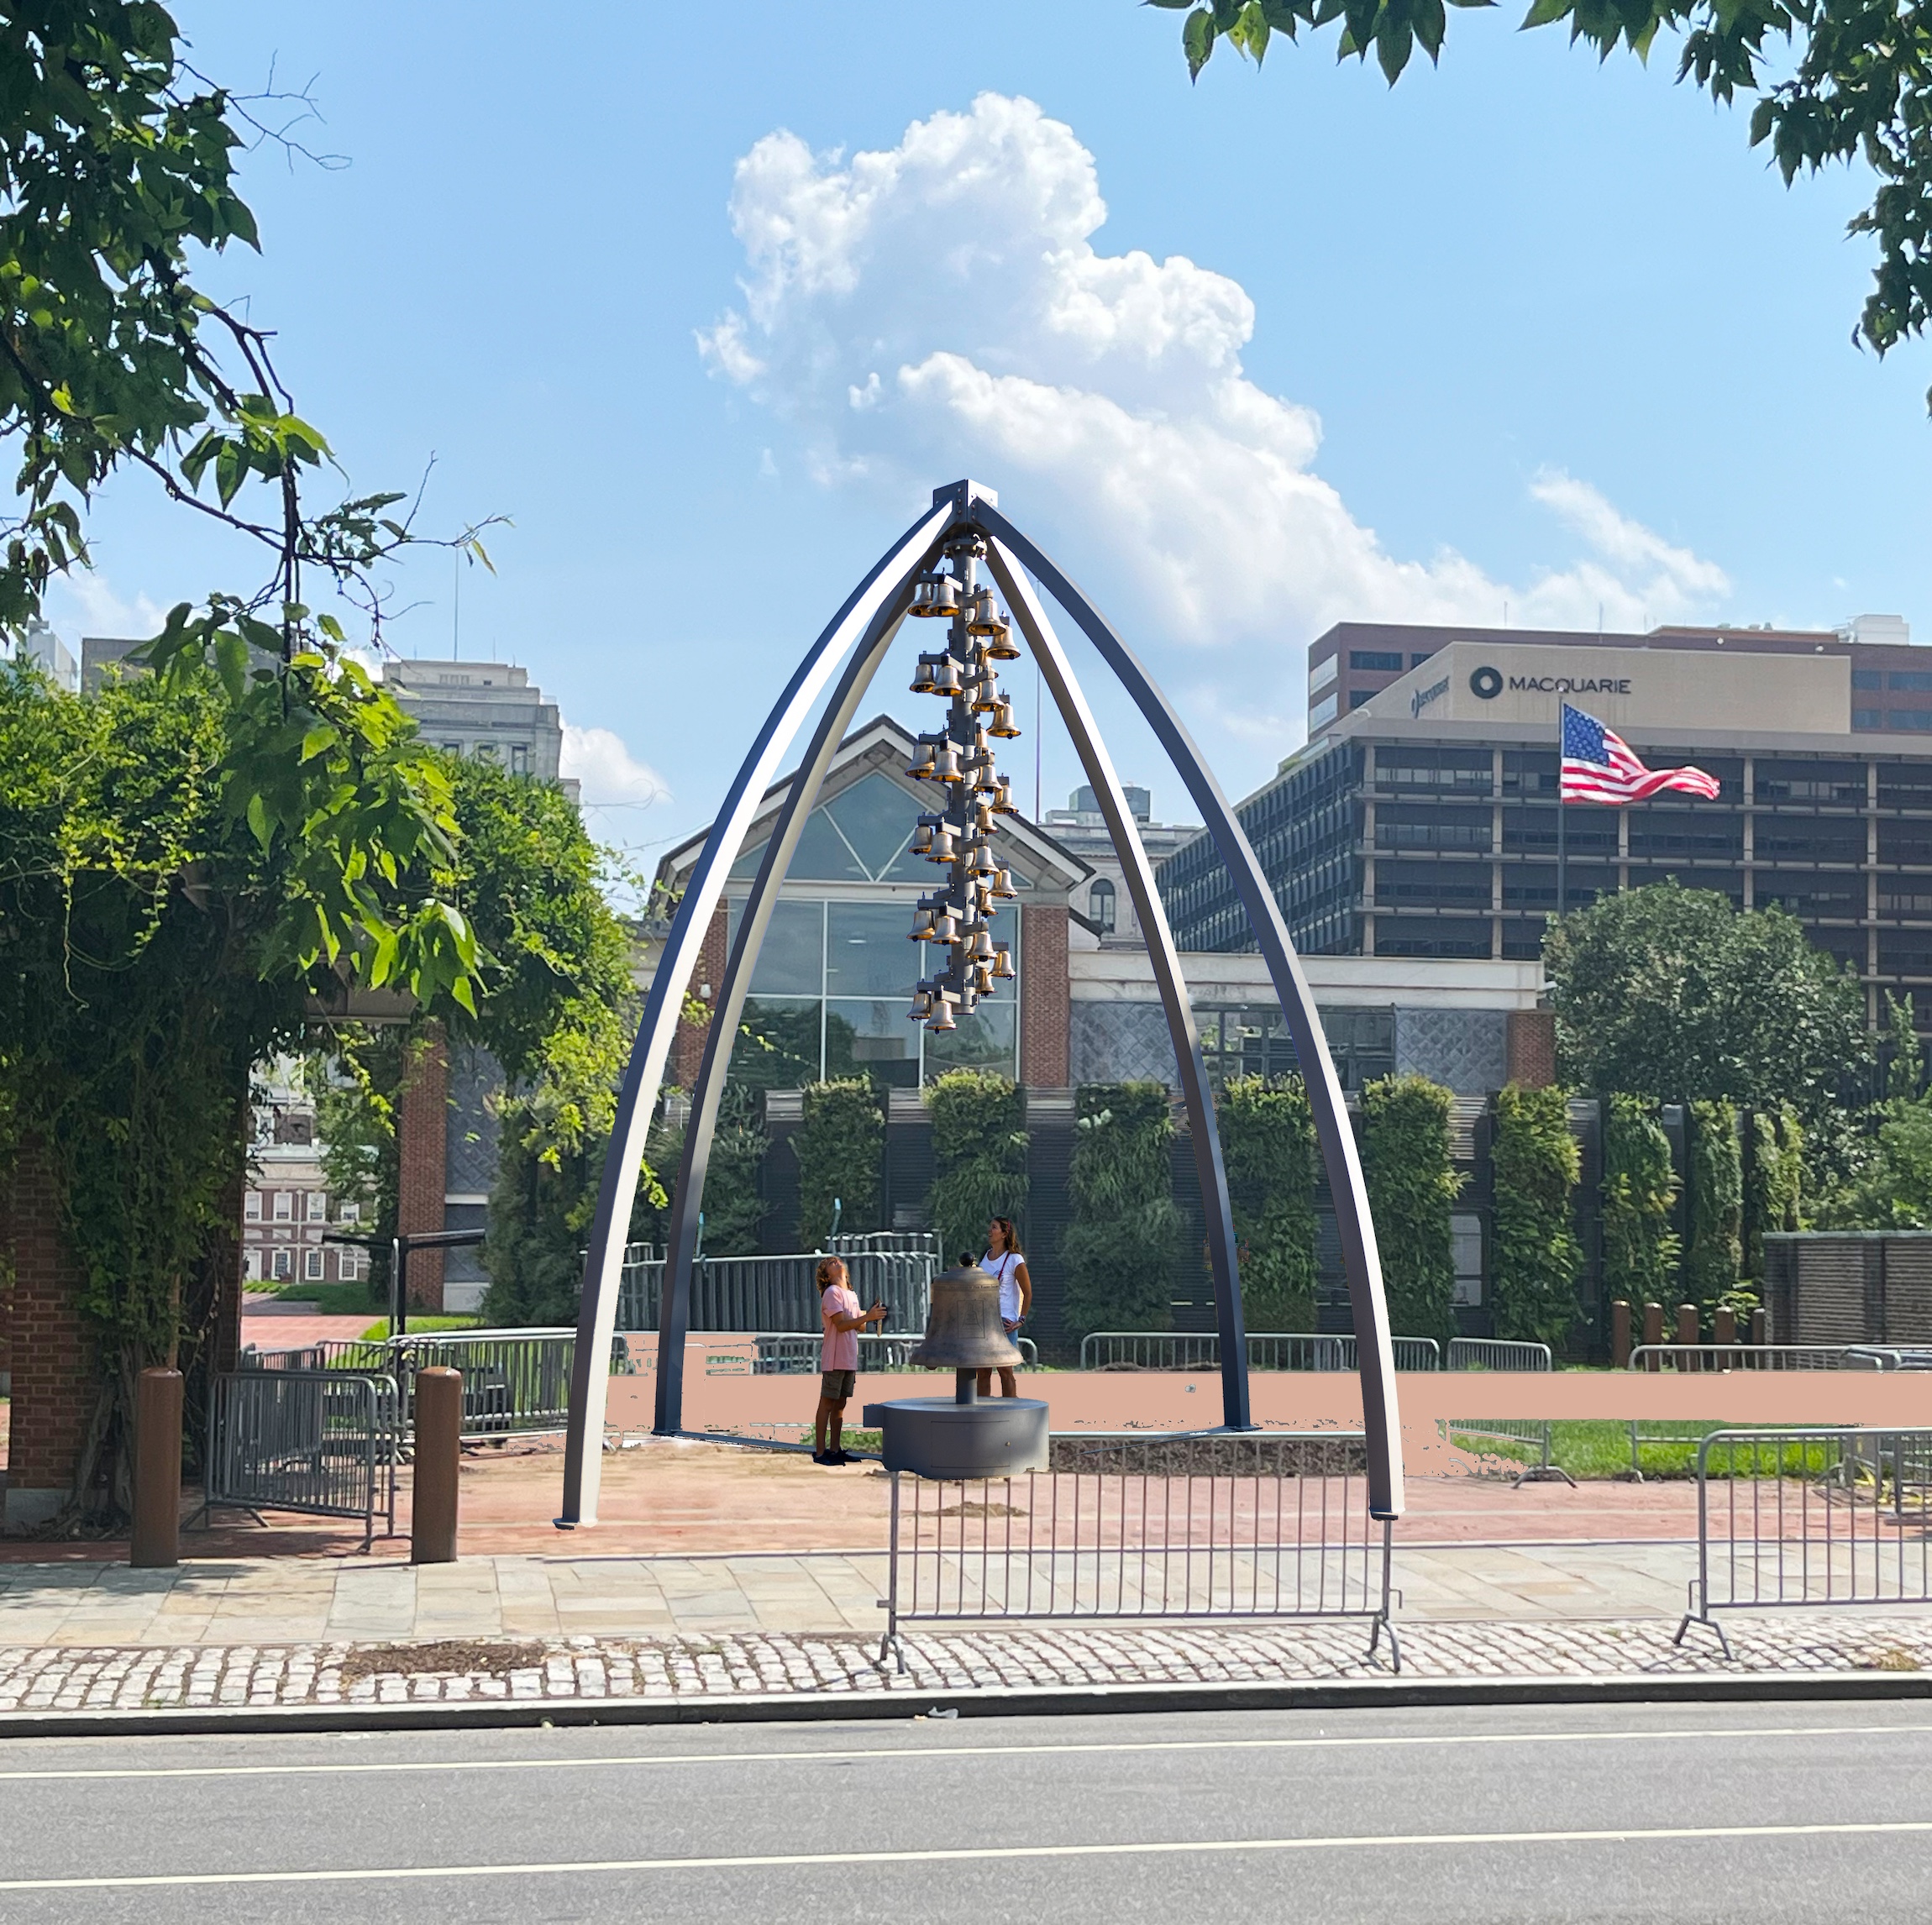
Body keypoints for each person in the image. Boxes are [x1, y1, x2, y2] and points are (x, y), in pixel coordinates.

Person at [814, 1256, 885, 1466]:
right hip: (835, 1358)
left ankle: (835, 1450)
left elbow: (859, 1326)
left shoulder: (851, 1295)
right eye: (830, 1263)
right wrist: (868, 1316)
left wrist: (870, 1316)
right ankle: (820, 1453)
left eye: (836, 1260)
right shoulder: (832, 1293)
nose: (836, 1262)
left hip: (848, 1357)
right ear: (826, 1275)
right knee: (827, 1404)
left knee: (840, 1406)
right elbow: (842, 1325)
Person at [974, 1216, 1032, 1399]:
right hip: (985, 1321)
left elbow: (1027, 1292)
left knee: (1005, 1370)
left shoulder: (1015, 1259)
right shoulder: (986, 1256)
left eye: (994, 1228)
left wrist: (1020, 1320)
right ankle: (983, 1412)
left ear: (1005, 1233)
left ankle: (1009, 1411)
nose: (989, 1231)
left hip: (1004, 1322)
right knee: (982, 1371)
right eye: (990, 1227)